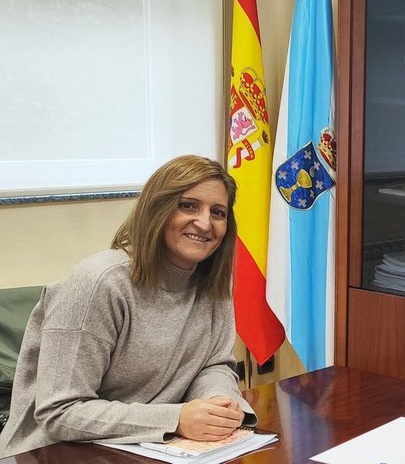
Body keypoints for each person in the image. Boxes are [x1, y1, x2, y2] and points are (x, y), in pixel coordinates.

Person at [0, 155, 255, 457]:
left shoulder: (212, 284)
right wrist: (175, 418)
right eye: (188, 205)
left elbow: (213, 364)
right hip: (54, 453)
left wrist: (219, 402)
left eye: (218, 212)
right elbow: (59, 412)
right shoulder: (98, 283)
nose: (204, 222)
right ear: (157, 209)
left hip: (148, 448)